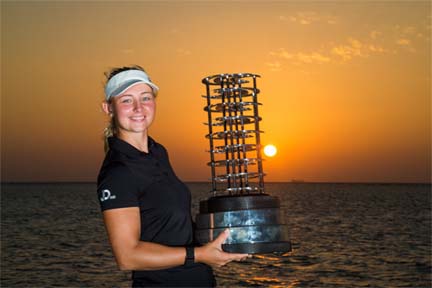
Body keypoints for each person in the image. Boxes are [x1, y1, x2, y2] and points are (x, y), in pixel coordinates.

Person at [96, 65, 249, 287]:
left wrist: (228, 237)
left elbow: (172, 225)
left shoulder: (157, 151)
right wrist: (200, 255)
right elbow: (128, 257)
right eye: (127, 100)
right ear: (108, 108)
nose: (139, 108)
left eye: (145, 98)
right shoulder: (118, 172)